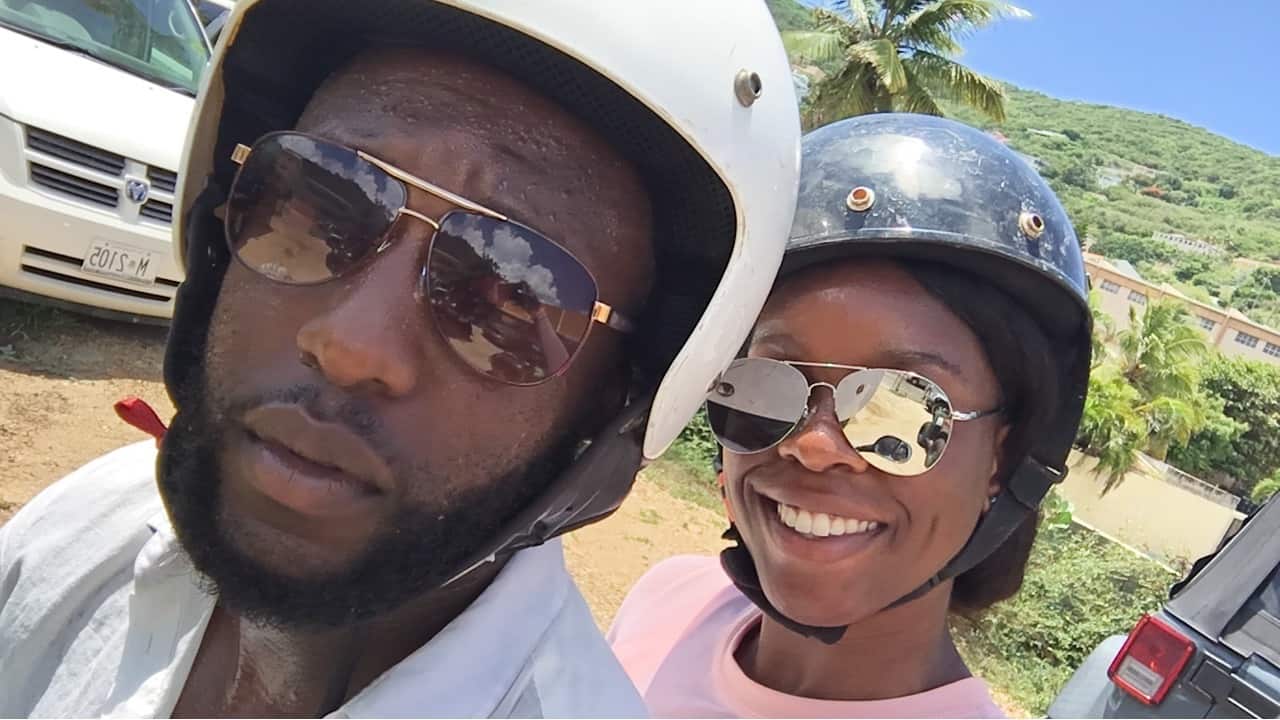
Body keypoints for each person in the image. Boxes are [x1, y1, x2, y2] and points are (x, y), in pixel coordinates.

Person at [0, 1, 801, 716]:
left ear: (611, 402)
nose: (351, 345)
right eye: (317, 199)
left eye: (512, 293)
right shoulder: (81, 532)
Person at [608, 113, 1093, 718]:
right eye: (767, 384)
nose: (813, 445)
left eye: (902, 402)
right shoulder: (670, 600)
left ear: (1003, 454)